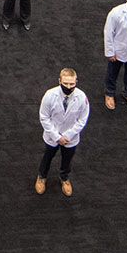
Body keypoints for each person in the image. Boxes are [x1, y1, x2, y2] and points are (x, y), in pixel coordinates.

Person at [36, 68, 89, 197]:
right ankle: (42, 177)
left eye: (72, 84)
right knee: (47, 157)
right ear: (59, 81)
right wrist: (56, 136)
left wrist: (68, 135)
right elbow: (44, 117)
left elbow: (82, 120)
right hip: (52, 136)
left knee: (67, 160)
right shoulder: (49, 95)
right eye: (65, 83)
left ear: (76, 82)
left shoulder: (82, 97)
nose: (68, 87)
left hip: (70, 138)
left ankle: (64, 178)